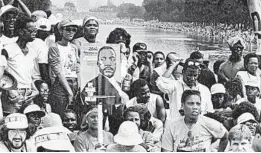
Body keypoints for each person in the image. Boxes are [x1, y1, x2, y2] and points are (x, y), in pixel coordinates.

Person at [81, 46, 129, 135]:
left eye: (112, 59)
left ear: (116, 63)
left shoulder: (120, 85)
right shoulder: (91, 85)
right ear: (97, 63)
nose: (108, 63)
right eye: (103, 59)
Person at [161, 90, 228, 152]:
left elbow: (225, 135)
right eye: (191, 103)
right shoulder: (172, 126)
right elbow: (166, 150)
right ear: (182, 105)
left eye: (198, 104)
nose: (195, 107)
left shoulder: (208, 123)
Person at [1, 15, 39, 114]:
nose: (34, 32)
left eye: (35, 30)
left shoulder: (32, 52)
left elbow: (28, 77)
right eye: (31, 30)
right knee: (12, 123)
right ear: (21, 31)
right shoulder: (7, 50)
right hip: (13, 95)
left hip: (29, 95)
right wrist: (10, 91)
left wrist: (35, 91)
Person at [48, 19, 80, 116]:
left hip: (74, 82)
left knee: (74, 114)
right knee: (61, 113)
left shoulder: (74, 47)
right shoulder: (54, 47)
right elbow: (58, 71)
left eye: (74, 30)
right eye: (68, 29)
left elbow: (77, 68)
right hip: (61, 84)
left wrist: (79, 87)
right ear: (61, 31)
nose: (71, 32)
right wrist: (69, 92)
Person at [27, 18, 51, 84]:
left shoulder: (28, 42)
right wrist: (47, 82)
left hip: (29, 79)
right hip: (38, 80)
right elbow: (42, 65)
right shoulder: (41, 44)